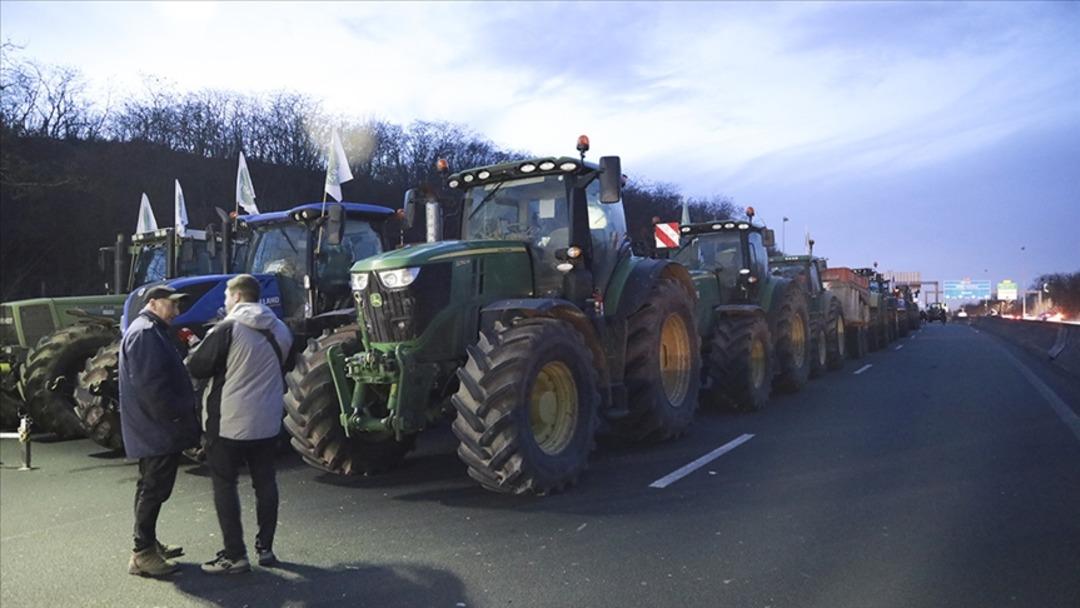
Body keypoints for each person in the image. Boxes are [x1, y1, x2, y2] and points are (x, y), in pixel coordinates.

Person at [187, 274, 292, 575]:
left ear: (236, 297)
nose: (225, 301)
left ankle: (235, 555)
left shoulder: (227, 329)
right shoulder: (280, 330)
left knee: (225, 485)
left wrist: (195, 348)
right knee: (265, 483)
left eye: (226, 296)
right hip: (267, 421)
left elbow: (198, 367)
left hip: (228, 423)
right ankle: (266, 548)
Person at [120, 285, 200, 577]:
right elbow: (152, 388)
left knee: (149, 487)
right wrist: (176, 417)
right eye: (172, 305)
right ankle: (142, 554)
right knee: (154, 490)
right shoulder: (145, 334)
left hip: (154, 427)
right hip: (157, 429)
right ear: (153, 303)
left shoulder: (150, 331)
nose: (176, 312)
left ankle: (148, 543)